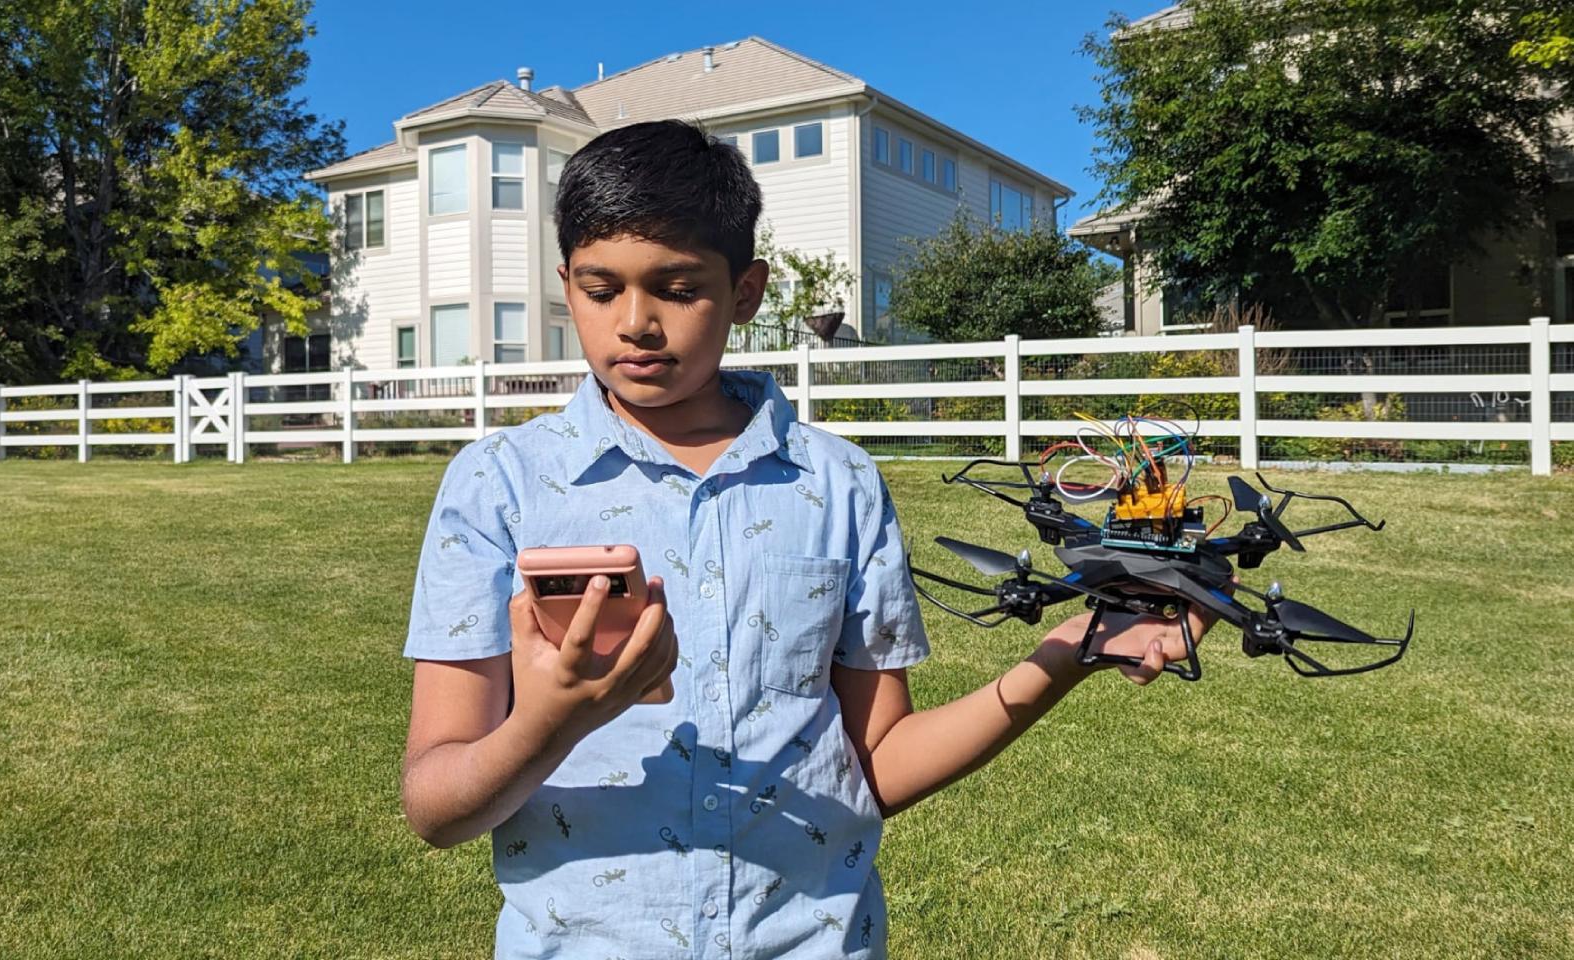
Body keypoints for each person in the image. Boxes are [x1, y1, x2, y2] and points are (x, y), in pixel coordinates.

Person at [399, 119, 1213, 958]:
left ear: (745, 292)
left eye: (677, 289)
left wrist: (1067, 652)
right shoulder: (499, 484)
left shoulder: (838, 486)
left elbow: (879, 762)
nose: (636, 323)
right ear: (566, 282)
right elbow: (435, 806)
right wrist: (551, 723)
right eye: (602, 290)